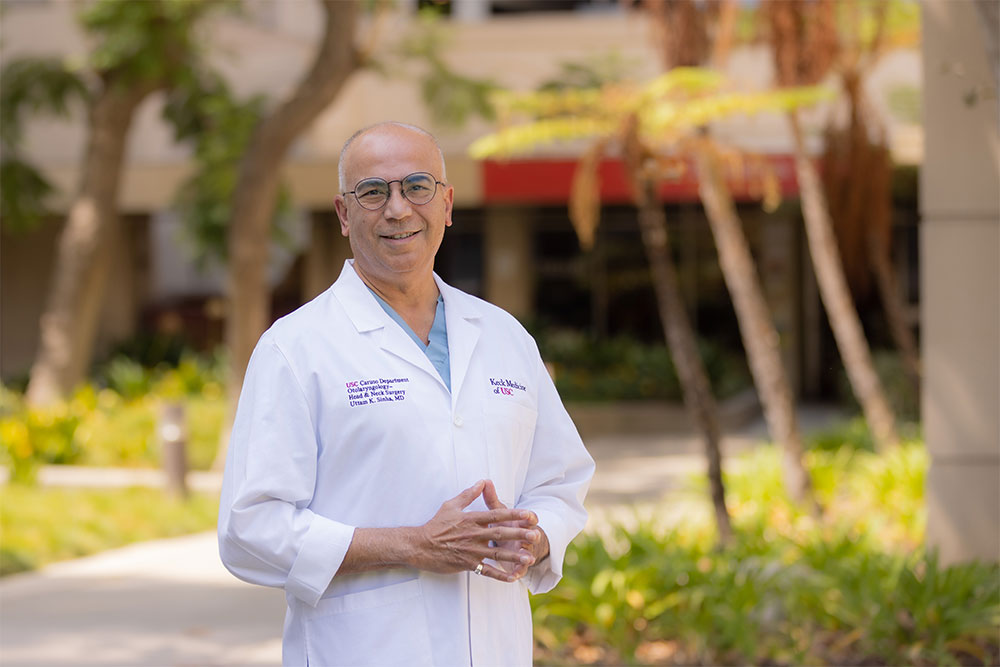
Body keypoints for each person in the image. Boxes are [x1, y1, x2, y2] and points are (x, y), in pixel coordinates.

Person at [218, 121, 594, 666]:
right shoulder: (295, 348)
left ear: (446, 204)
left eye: (417, 186)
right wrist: (413, 545)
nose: (397, 209)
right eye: (373, 192)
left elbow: (560, 481)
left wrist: (535, 537)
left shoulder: (505, 336)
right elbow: (250, 528)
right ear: (344, 215)